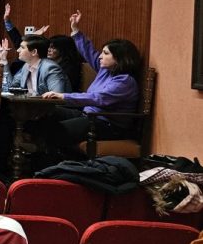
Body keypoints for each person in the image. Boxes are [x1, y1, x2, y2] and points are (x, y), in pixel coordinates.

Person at [40, 10, 140, 160]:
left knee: (57, 131)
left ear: (120, 59)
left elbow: (97, 98)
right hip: (89, 116)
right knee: (45, 113)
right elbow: (89, 52)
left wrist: (63, 96)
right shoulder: (106, 70)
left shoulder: (125, 81)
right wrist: (75, 30)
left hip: (107, 125)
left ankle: (55, 164)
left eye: (106, 53)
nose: (100, 56)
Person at [0, 34, 70, 95]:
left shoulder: (50, 68)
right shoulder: (26, 66)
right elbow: (10, 88)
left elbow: (56, 97)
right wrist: (4, 60)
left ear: (34, 52)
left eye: (22, 47)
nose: (18, 50)